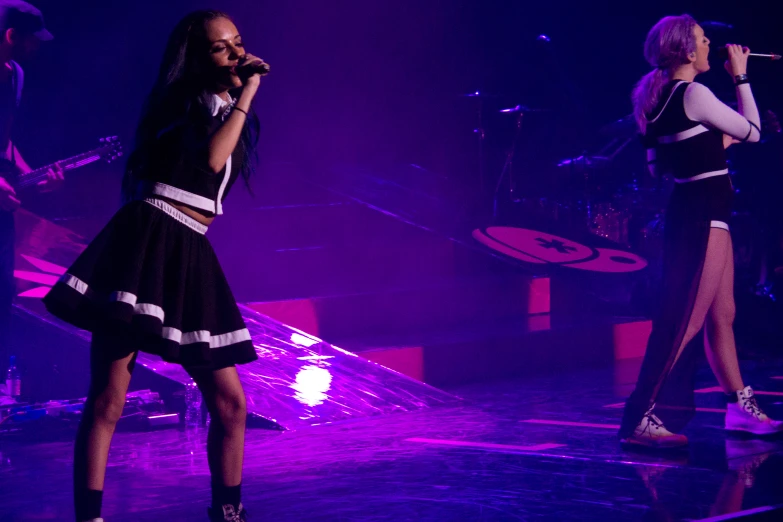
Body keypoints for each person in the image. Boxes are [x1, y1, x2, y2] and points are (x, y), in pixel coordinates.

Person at [41, 10, 267, 522]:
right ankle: (90, 518)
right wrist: (248, 96)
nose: (235, 54)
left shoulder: (224, 108)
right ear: (197, 58)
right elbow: (210, 162)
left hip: (188, 247)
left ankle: (228, 513)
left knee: (231, 405)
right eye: (220, 48)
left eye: (238, 43)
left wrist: (240, 102)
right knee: (108, 397)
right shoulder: (183, 105)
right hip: (148, 240)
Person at [619, 14, 782, 448]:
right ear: (689, 52)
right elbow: (752, 132)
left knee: (721, 312)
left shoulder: (655, 98)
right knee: (685, 320)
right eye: (704, 40)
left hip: (699, 211)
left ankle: (737, 406)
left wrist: (712, 140)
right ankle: (639, 416)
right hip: (703, 215)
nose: (711, 44)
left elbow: (661, 165)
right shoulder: (695, 92)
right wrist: (742, 76)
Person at [0, 0, 62, 394]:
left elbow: (4, 142)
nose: (37, 47)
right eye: (31, 39)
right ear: (10, 36)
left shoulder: (15, 75)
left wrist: (27, 173)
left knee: (4, 292)